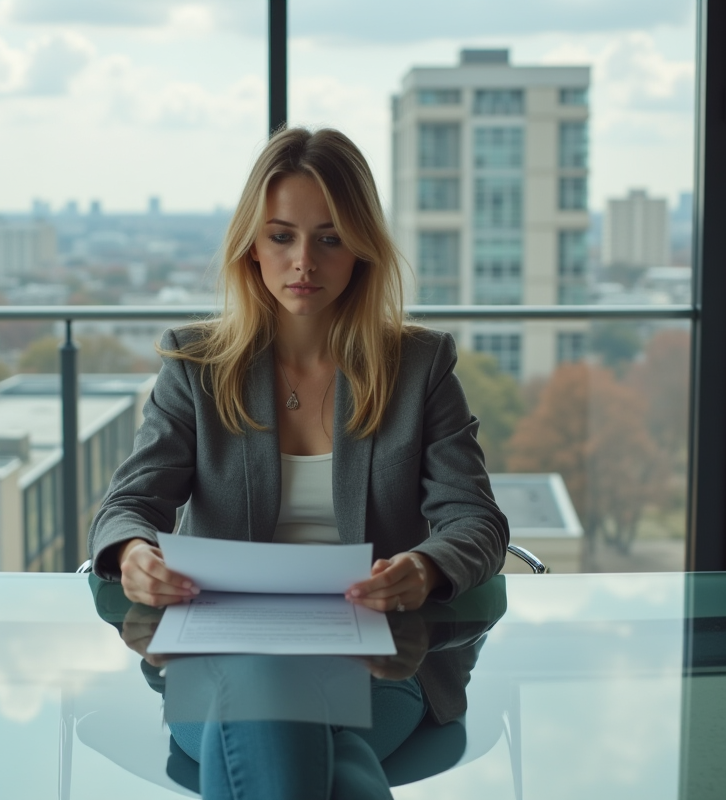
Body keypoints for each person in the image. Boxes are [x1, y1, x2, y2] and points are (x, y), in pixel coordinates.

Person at [87, 127, 509, 799]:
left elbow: (475, 520)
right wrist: (133, 552)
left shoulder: (419, 367)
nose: (303, 261)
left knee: (279, 744)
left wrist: (423, 568)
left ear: (362, 248)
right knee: (324, 759)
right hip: (222, 654)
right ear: (252, 245)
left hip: (377, 657)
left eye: (330, 237)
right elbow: (129, 504)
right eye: (282, 236)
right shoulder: (197, 367)